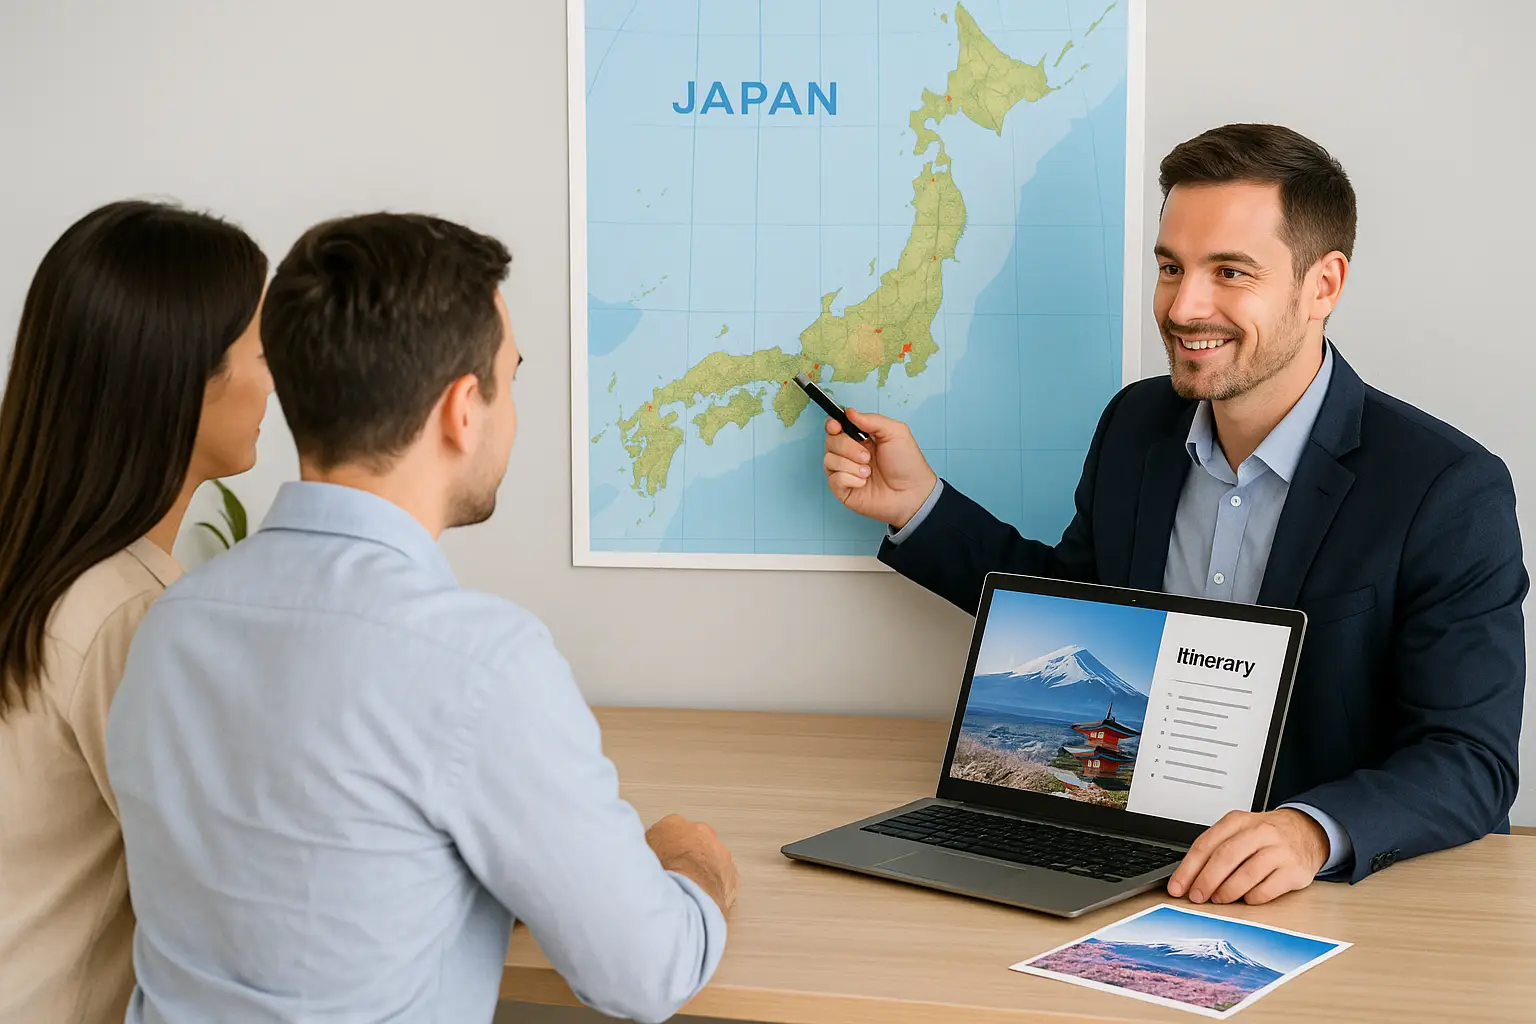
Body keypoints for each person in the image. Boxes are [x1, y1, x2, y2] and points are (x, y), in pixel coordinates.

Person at [822, 123, 1526, 906]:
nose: (1186, 307)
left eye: (1230, 271)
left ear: (1323, 285)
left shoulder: (1448, 489)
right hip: (1125, 860)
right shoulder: (1136, 426)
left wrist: (1310, 831)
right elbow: (1076, 600)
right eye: (1171, 267)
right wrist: (919, 506)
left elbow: (1471, 760)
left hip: (1322, 896)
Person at [106, 212, 738, 1024]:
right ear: (461, 410)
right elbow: (645, 972)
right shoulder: (479, 664)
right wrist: (692, 871)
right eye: (511, 377)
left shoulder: (171, 625)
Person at [0, 200, 271, 1024]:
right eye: (264, 351)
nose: (279, 380)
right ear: (183, 378)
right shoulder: (125, 616)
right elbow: (249, 899)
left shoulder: (44, 571)